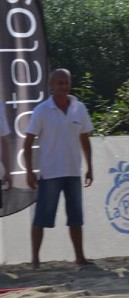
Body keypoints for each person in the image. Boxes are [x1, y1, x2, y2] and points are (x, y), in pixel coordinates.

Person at [23, 69, 93, 268]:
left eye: (66, 82)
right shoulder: (42, 110)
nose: (63, 86)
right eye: (59, 82)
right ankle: (35, 259)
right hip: (50, 172)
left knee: (76, 217)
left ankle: (80, 257)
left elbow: (85, 138)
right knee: (41, 218)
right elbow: (28, 142)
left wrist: (90, 167)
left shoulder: (79, 108)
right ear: (51, 86)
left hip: (73, 171)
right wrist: (29, 171)